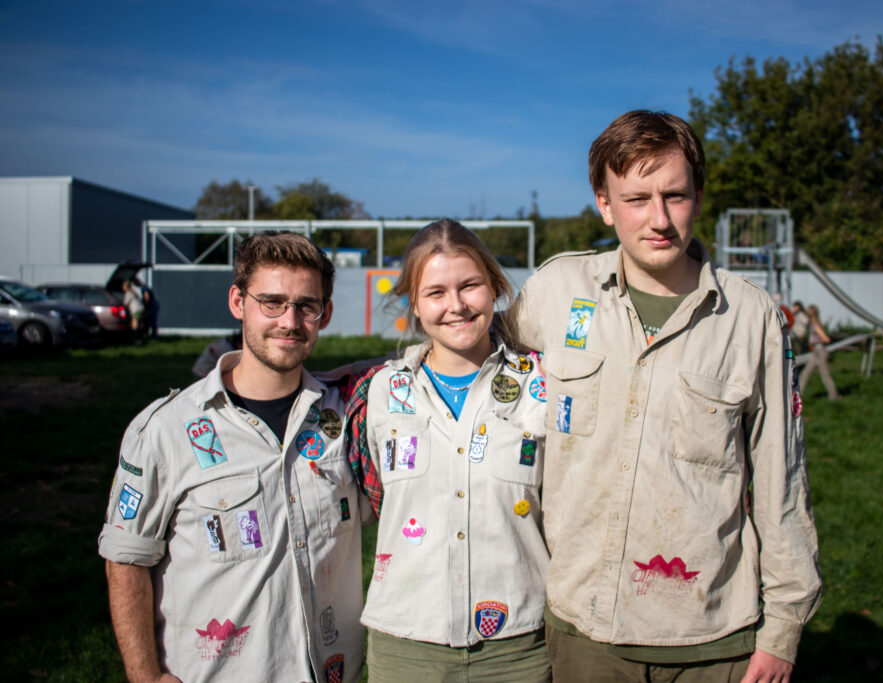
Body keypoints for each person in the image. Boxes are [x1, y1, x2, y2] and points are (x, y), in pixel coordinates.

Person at [514, 110, 821, 682]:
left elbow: (781, 481)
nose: (658, 219)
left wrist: (783, 628)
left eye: (674, 196)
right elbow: (472, 361)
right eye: (636, 199)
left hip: (712, 639)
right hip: (585, 631)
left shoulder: (750, 318)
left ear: (698, 198)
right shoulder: (556, 291)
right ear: (604, 204)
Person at [98, 231, 366, 683]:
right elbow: (125, 560)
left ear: (326, 314)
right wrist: (145, 677)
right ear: (238, 302)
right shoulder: (166, 429)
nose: (290, 321)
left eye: (307, 306)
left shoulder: (347, 414)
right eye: (272, 302)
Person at [350, 219, 550, 682]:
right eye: (436, 292)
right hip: (407, 646)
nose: (456, 305)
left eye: (470, 286)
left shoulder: (539, 384)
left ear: (494, 288)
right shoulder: (381, 392)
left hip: (519, 645)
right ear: (414, 304)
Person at [798, 305, 840, 401]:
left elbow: (826, 339)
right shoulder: (812, 325)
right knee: (805, 373)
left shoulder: (816, 325)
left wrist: (816, 341)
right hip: (815, 352)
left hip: (820, 351)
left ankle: (833, 396)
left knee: (825, 375)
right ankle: (796, 396)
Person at [123, 279, 146, 345]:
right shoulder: (134, 292)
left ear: (126, 287)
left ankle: (137, 340)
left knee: (134, 325)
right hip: (142, 309)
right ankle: (141, 339)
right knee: (140, 325)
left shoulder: (128, 293)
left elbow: (125, 303)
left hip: (136, 310)